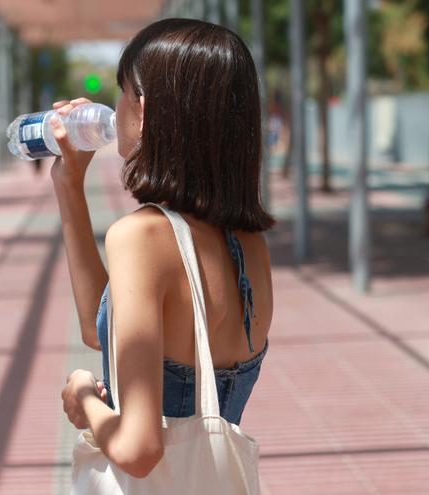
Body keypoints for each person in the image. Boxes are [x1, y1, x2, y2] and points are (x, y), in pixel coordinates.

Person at [57, 19, 274, 479]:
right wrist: (69, 188)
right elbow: (103, 332)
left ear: (145, 108)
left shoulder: (142, 236)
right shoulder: (250, 245)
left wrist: (84, 402)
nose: (113, 109)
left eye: (121, 90)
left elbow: (138, 450)